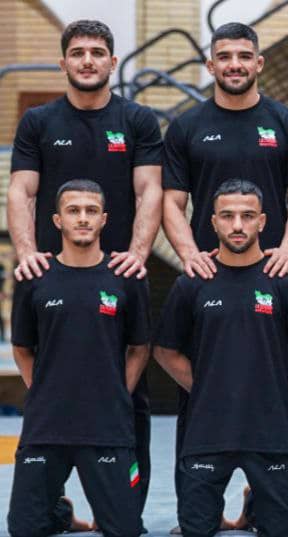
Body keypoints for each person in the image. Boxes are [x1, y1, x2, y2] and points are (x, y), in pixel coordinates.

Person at [7, 19, 162, 529]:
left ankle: (125, 511)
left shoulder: (137, 120)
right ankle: (51, 508)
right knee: (49, 390)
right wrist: (28, 254)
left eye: (98, 52)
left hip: (116, 273)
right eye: (78, 52)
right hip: (54, 274)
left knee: (129, 399)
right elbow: (22, 190)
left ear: (113, 62)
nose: (88, 60)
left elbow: (149, 190)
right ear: (64, 62)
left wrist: (137, 253)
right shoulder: (39, 121)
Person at [153, 179, 288, 537]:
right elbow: (165, 351)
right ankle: (241, 506)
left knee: (281, 530)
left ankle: (253, 503)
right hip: (208, 433)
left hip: (269, 433)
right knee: (195, 529)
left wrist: (268, 391)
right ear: (213, 222)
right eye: (227, 216)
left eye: (247, 216)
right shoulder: (193, 283)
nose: (237, 225)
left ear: (262, 222)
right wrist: (207, 391)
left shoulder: (287, 283)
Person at [8, 180, 150, 537]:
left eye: (91, 211)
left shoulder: (126, 278)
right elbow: (22, 348)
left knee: (124, 530)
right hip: (47, 424)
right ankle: (61, 511)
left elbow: (139, 347)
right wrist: (42, 390)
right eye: (73, 211)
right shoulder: (34, 278)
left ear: (104, 219)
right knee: (24, 530)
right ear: (58, 220)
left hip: (107, 425)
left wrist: (120, 392)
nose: (83, 218)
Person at [162, 22, 288, 279]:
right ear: (210, 66)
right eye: (224, 57)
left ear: (259, 64)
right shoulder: (185, 127)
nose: (235, 65)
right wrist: (190, 255)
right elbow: (172, 202)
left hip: (272, 268)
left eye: (245, 56)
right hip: (208, 271)